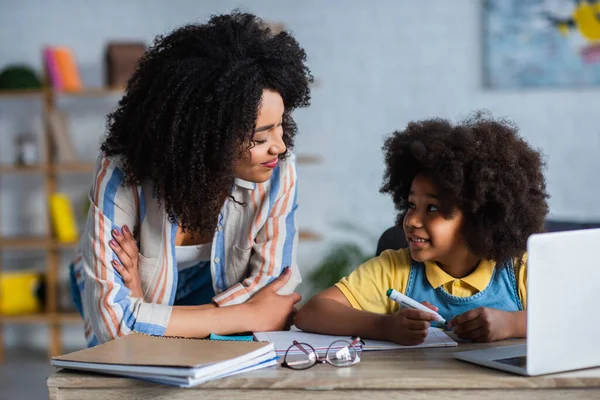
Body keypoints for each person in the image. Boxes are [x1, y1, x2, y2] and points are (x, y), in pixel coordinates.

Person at [70, 11, 312, 346]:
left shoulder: (279, 168)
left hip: (205, 288)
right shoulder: (123, 171)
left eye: (281, 126)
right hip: (99, 278)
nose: (280, 146)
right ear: (204, 137)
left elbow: (275, 291)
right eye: (259, 138)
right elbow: (112, 325)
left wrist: (146, 311)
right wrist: (241, 315)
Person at [295, 113, 549, 344]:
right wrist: (384, 326)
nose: (412, 220)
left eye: (432, 209)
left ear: (479, 216)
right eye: (412, 204)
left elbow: (577, 315)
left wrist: (512, 324)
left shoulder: (520, 270)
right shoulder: (395, 269)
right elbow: (311, 313)